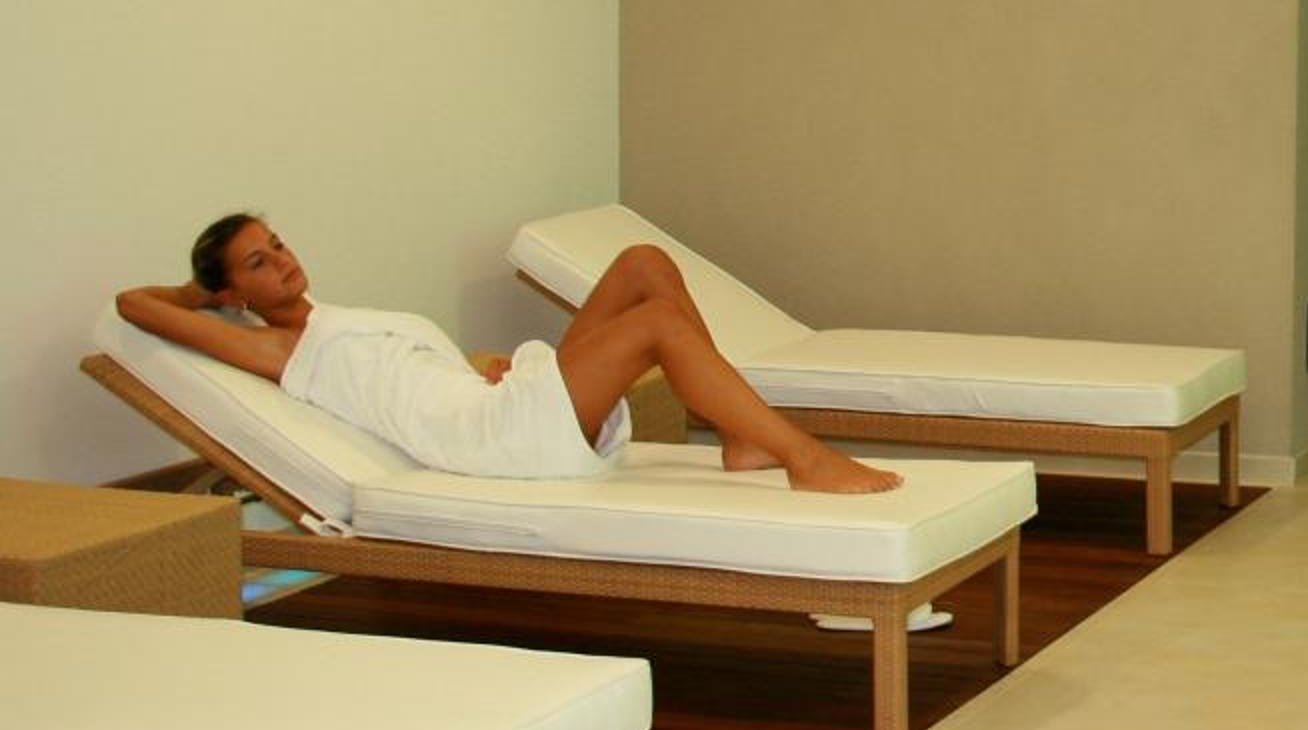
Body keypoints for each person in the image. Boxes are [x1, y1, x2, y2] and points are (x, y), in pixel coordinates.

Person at [118, 213, 901, 494]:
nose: (283, 262)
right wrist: (198, 297)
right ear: (235, 293)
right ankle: (801, 455)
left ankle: (738, 436)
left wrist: (477, 365)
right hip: (490, 441)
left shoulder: (334, 318)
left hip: (492, 403)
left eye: (278, 244)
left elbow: (409, 380)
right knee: (658, 323)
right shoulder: (277, 348)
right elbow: (133, 305)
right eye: (258, 264)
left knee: (642, 265)